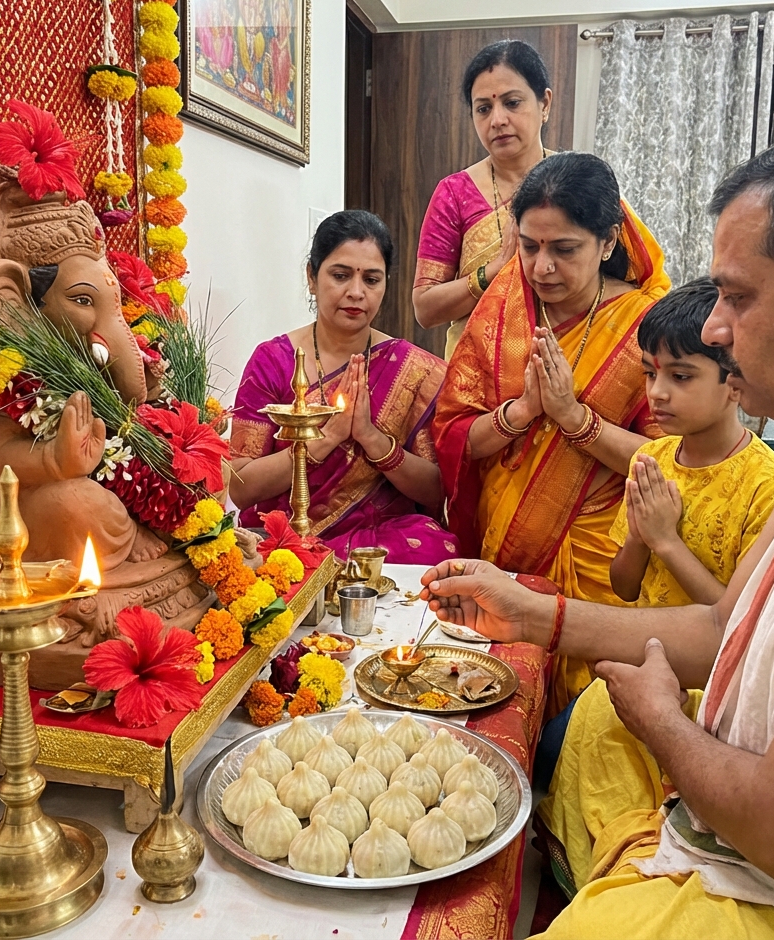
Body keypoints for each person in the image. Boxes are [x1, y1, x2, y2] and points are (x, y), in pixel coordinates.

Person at [421, 121, 774, 939]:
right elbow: (722, 625)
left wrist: (666, 723)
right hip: (744, 823)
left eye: (738, 296)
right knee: (590, 729)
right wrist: (531, 616)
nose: (714, 328)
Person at [433, 150, 669, 714]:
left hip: (602, 567)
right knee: (491, 704)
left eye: (564, 250)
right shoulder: (501, 310)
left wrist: (575, 420)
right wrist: (521, 413)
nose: (541, 268)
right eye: (529, 246)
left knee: (579, 729)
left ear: (608, 241)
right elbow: (454, 434)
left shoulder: (647, 324)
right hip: (504, 550)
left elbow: (671, 464)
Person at [229, 210, 460, 564]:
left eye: (371, 280)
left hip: (383, 534)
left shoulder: (413, 369)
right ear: (311, 276)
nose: (356, 292)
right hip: (288, 534)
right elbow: (241, 488)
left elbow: (434, 491)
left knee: (439, 546)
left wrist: (373, 439)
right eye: (340, 275)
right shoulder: (273, 361)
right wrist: (324, 441)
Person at [609, 278, 774, 607]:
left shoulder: (768, 487)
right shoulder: (651, 460)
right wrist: (638, 537)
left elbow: (735, 619)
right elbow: (624, 588)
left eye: (680, 377)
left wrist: (664, 540)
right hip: (640, 647)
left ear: (735, 381)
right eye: (650, 373)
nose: (656, 392)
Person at [412, 39, 555, 358]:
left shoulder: (580, 181)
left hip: (565, 374)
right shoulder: (454, 193)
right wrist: (492, 272)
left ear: (544, 103)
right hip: (473, 385)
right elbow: (425, 307)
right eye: (484, 108)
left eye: (512, 103)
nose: (497, 120)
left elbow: (629, 279)